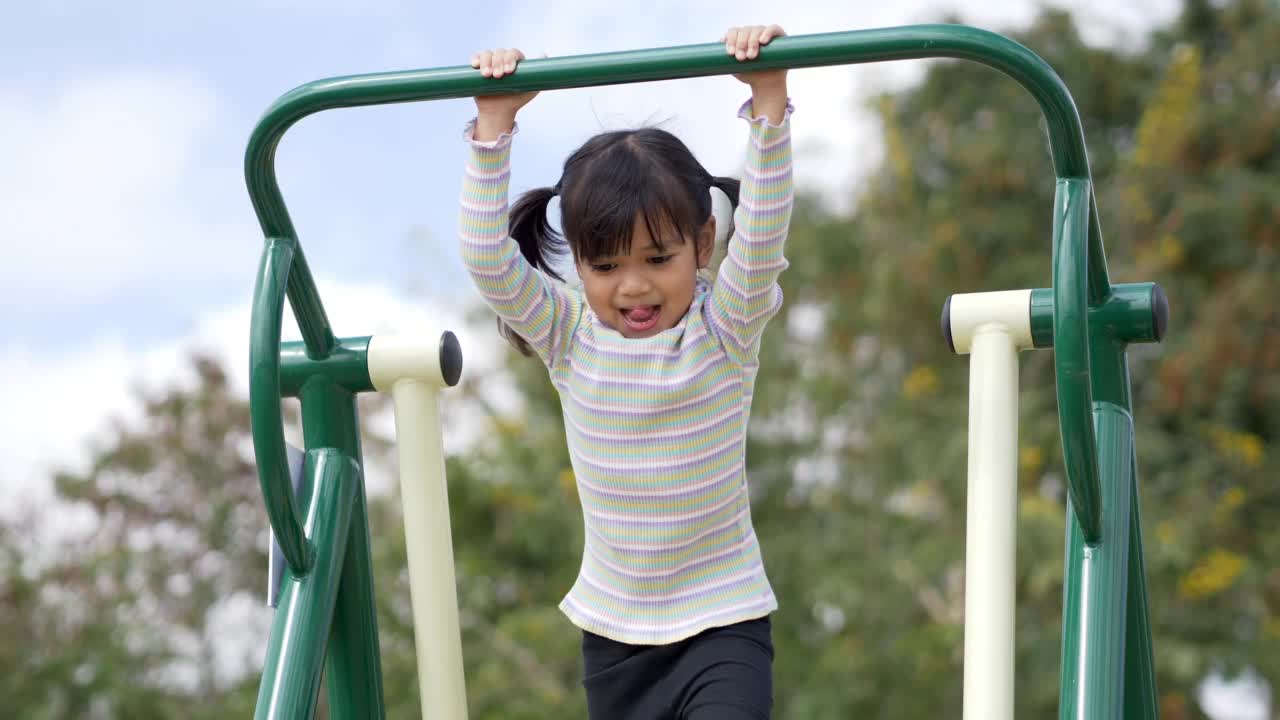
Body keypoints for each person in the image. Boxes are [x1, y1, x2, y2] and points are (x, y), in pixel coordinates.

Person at [458, 24, 793, 719]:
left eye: (656, 259)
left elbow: (762, 237)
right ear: (578, 265)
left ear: (702, 245)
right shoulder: (570, 334)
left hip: (722, 624)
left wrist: (768, 103)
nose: (633, 287)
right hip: (615, 640)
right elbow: (488, 261)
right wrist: (495, 126)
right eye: (606, 267)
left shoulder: (724, 328)